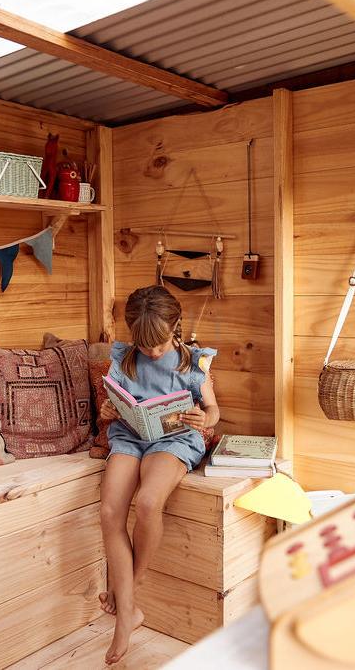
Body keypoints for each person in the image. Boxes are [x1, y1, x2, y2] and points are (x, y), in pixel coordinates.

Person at [98, 285, 219, 665]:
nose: (151, 351)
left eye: (159, 344)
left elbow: (213, 411)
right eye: (144, 343)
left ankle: (127, 598)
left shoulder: (193, 363)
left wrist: (206, 417)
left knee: (149, 501)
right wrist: (108, 411)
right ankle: (129, 612)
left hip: (175, 439)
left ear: (175, 327)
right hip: (129, 436)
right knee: (109, 513)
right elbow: (112, 400)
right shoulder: (125, 358)